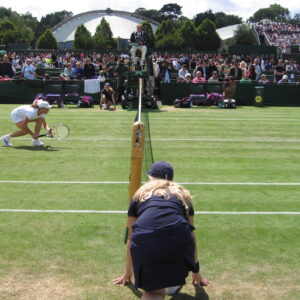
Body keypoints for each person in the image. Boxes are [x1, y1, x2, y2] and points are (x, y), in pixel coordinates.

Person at [113, 161, 210, 299]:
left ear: (151, 177)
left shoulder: (139, 195)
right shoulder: (183, 195)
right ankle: (169, 279)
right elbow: (191, 235)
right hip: (178, 240)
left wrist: (128, 273)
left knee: (154, 292)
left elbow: (131, 238)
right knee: (170, 287)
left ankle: (159, 286)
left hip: (146, 240)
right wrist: (195, 272)